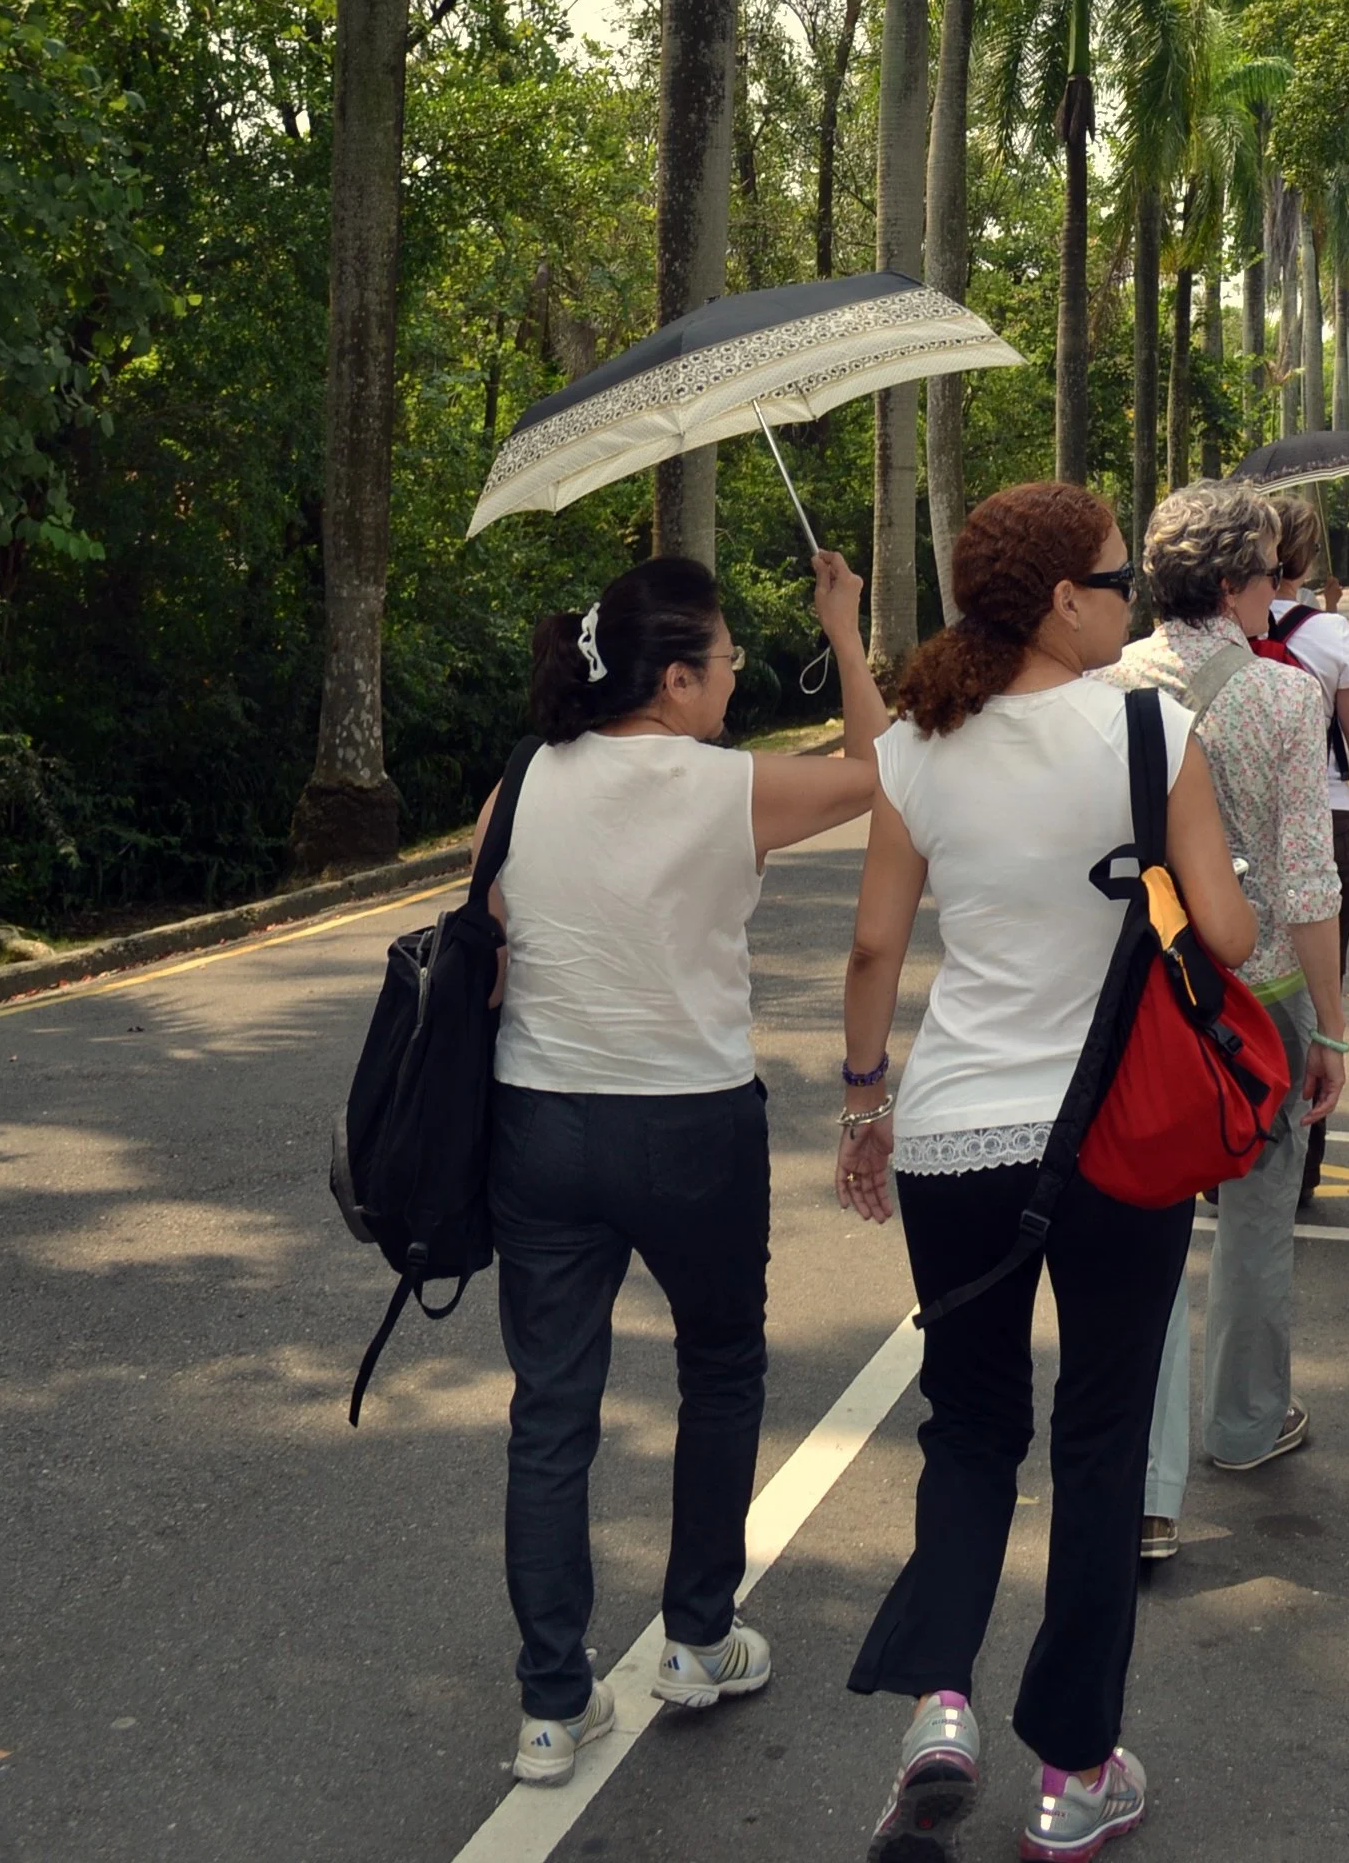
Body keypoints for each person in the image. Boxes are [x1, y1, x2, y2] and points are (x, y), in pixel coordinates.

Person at [835, 481, 1253, 1862]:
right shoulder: (1148, 727)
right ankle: (1075, 1772)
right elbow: (1233, 937)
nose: (1132, 600)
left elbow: (874, 955)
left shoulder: (917, 747)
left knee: (968, 1430)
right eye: (1117, 579)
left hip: (958, 1136)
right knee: (1099, 1438)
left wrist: (863, 1103)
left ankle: (939, 1707)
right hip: (1117, 1137)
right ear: (1062, 599)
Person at [477, 546, 887, 1792]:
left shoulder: (517, 784)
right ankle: (697, 1640)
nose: (738, 674)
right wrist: (846, 628)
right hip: (693, 1127)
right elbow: (888, 771)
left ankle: (553, 1708)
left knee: (551, 1413)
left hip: (539, 1124)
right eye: (722, 659)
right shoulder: (729, 789)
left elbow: (492, 941)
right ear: (672, 680)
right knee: (718, 1370)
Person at [1119, 481, 1345, 1565]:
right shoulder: (1282, 699)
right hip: (1256, 993)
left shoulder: (1107, 684)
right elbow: (1307, 879)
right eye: (1265, 572)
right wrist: (1335, 1029)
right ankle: (1248, 1421)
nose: (1276, 591)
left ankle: (1145, 1484)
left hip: (1140, 990)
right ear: (1226, 586)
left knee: (1148, 1216)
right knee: (1258, 1210)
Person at [1260, 496, 1349, 1210]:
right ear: (1306, 556)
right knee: (1319, 997)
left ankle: (1228, 1153)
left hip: (1232, 826)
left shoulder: (1216, 629)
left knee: (1233, 991)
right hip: (1328, 821)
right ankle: (1300, 1166)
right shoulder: (1331, 634)